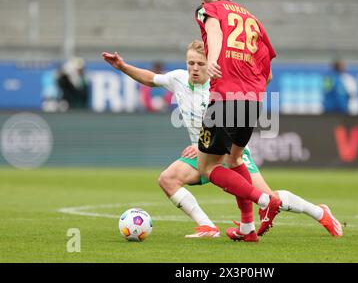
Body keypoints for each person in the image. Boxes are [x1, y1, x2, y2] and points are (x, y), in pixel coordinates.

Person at [102, 40, 343, 241]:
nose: (195, 68)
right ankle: (207, 227)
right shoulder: (178, 79)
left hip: (229, 153)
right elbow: (151, 78)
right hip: (202, 153)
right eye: (191, 63)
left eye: (201, 64)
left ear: (211, 66)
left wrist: (202, 146)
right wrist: (122, 66)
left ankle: (319, 212)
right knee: (167, 179)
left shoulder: (221, 88)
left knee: (271, 198)